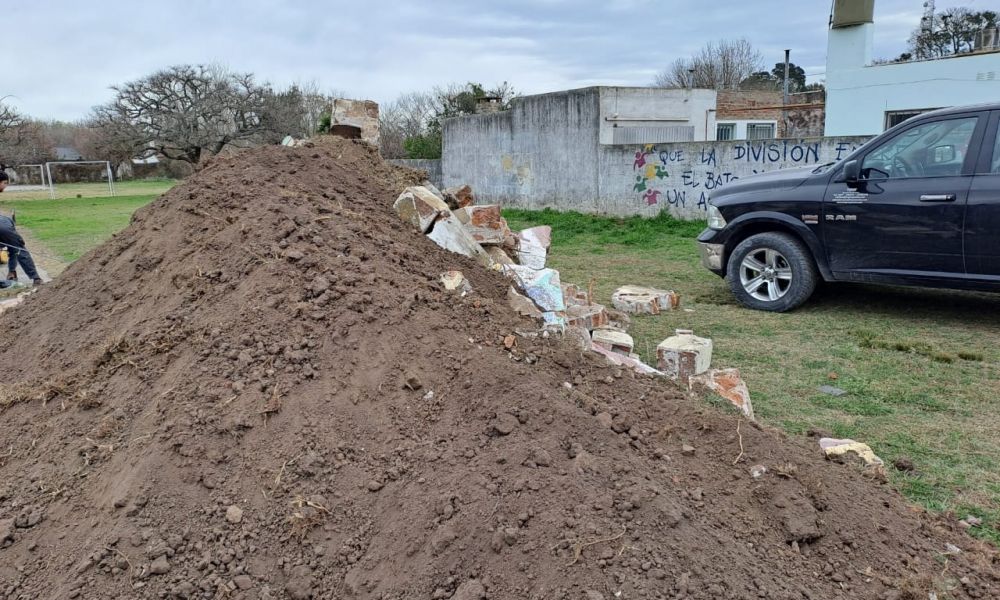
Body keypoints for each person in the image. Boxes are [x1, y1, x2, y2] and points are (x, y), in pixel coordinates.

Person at [0, 168, 43, 286]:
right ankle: (36, 279)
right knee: (18, 248)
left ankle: (12, 272)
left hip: (4, 224)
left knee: (13, 248)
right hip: (3, 227)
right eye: (4, 183)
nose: (6, 187)